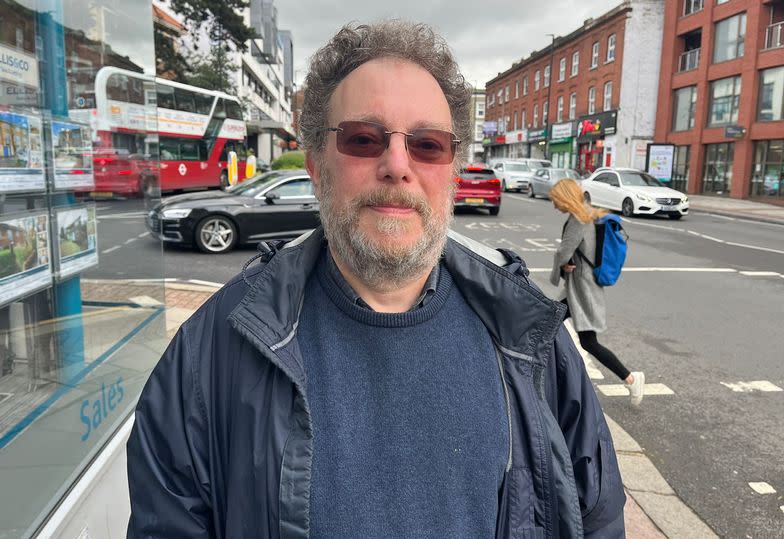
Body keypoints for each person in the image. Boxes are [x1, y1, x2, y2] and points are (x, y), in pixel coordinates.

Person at [126, 20, 626, 538]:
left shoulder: (533, 345)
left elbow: (597, 519)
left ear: (451, 172)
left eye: (427, 144)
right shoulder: (211, 354)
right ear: (317, 166)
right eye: (363, 139)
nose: (396, 164)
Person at [548, 178, 645, 405]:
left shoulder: (578, 220)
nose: (555, 206)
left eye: (556, 201)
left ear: (565, 198)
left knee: (588, 341)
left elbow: (564, 251)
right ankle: (546, 378)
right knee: (548, 323)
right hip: (578, 286)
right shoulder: (588, 214)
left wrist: (561, 265)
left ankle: (631, 378)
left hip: (582, 288)